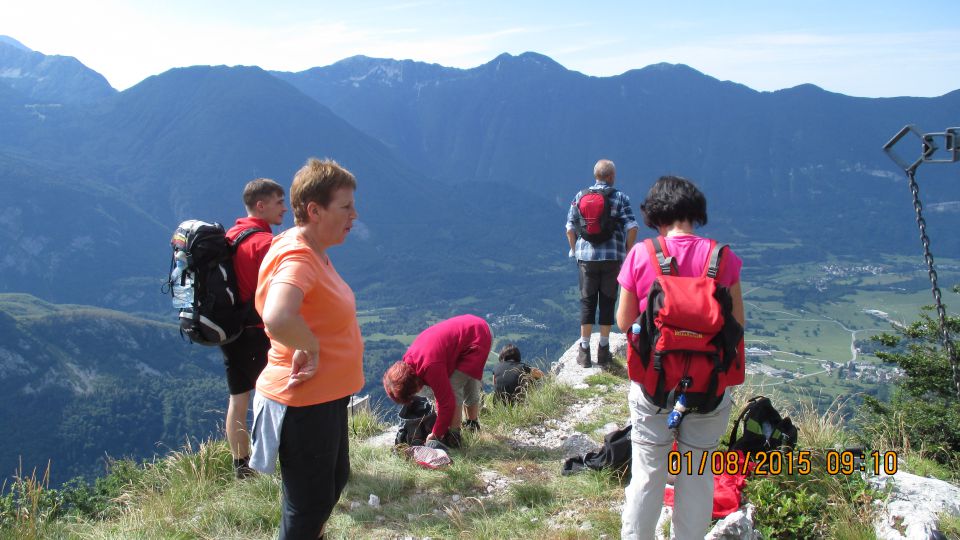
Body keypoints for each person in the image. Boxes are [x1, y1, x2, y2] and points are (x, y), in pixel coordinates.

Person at [616, 176, 745, 540]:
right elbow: (738, 323)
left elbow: (624, 321)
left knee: (648, 474)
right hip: (709, 387)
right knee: (697, 474)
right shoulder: (723, 258)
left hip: (654, 386)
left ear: (655, 215)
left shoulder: (642, 254)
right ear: (695, 212)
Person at [250, 158, 363, 540]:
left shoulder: (309, 248)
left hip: (323, 397)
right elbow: (278, 316)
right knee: (308, 505)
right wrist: (310, 347)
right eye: (345, 206)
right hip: (303, 402)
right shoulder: (299, 256)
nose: (354, 214)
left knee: (331, 483)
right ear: (314, 210)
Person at [220, 177, 286, 479]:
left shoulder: (232, 235)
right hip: (258, 331)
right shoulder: (265, 244)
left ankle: (241, 467)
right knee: (275, 396)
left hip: (230, 330)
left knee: (239, 398)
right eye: (278, 202)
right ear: (261, 205)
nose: (284, 208)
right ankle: (274, 461)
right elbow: (281, 292)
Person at [566, 159, 639, 367]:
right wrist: (627, 251)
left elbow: (570, 227)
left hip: (586, 259)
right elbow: (632, 226)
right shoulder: (620, 197)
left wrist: (574, 250)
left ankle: (584, 350)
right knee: (607, 301)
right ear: (612, 177)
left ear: (595, 175)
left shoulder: (580, 196)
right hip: (612, 258)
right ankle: (604, 350)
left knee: (588, 302)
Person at [382, 315, 492, 444]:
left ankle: (454, 436)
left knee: (453, 388)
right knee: (467, 380)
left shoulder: (430, 366)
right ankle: (472, 425)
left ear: (414, 385)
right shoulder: (408, 362)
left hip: (478, 337)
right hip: (474, 327)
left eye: (412, 393)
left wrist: (436, 434)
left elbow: (446, 402)